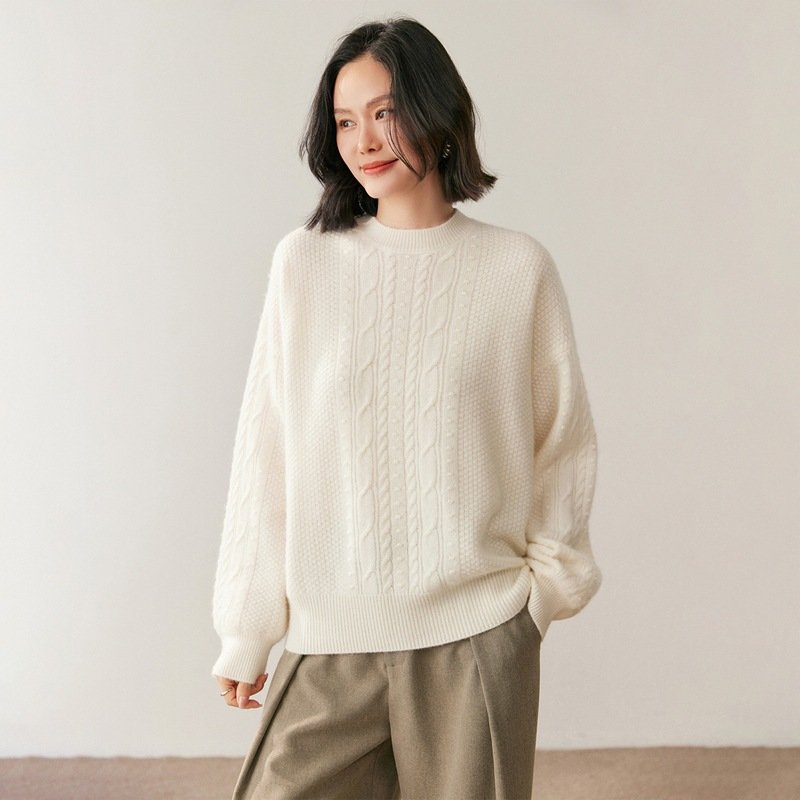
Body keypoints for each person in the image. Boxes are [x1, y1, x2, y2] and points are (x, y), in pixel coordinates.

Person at [211, 15, 602, 800]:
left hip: (475, 635)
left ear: (435, 110)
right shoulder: (306, 265)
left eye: (384, 112)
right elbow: (267, 451)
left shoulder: (515, 269)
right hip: (332, 640)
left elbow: (562, 444)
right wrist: (246, 629)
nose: (363, 141)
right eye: (344, 121)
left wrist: (539, 601)